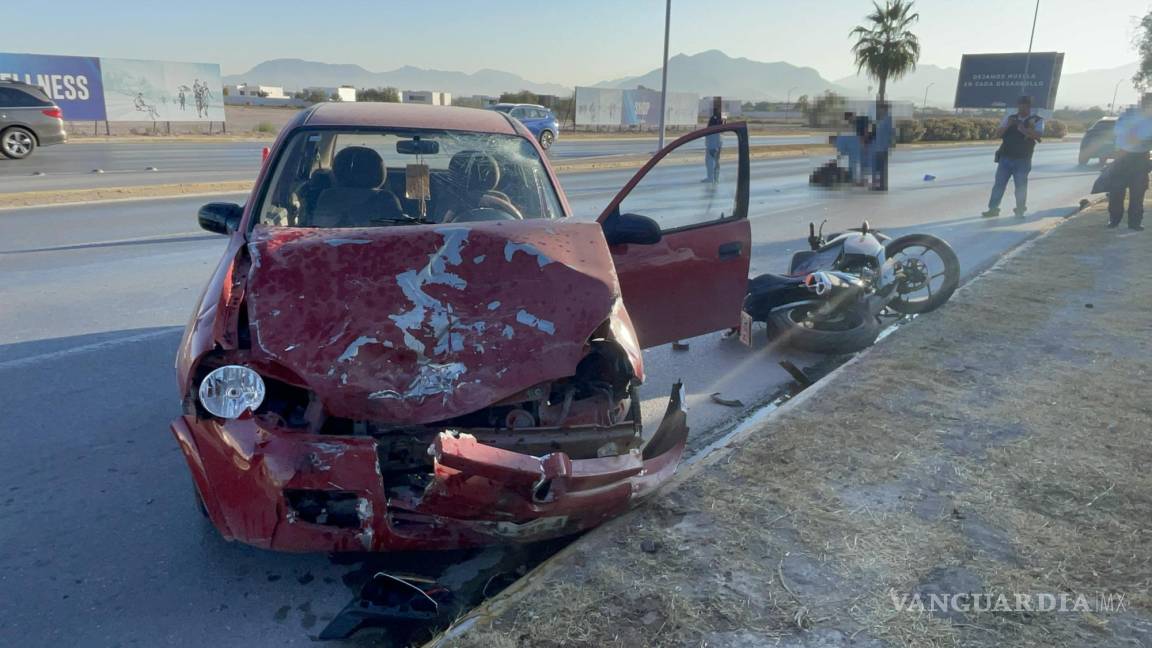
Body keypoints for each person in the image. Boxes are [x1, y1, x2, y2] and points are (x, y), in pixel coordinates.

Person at [982, 95, 1044, 218]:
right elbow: (998, 134)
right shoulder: (1010, 118)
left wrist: (1023, 130)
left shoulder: (1037, 120)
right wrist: (1007, 126)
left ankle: (1020, 210)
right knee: (999, 185)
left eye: (1026, 106)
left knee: (1020, 186)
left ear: (1030, 107)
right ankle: (993, 209)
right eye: (1020, 105)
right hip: (1006, 157)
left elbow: (1038, 136)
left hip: (1023, 159)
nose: (1022, 108)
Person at [1106, 93, 1152, 231]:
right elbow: (1118, 130)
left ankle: (1135, 223)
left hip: (1141, 159)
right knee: (1116, 192)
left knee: (1138, 194)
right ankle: (1114, 220)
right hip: (1123, 157)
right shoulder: (1130, 114)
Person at [703, 105, 723, 184]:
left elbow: (709, 130)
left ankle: (711, 178)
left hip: (712, 144)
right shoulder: (719, 120)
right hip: (716, 144)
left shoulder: (713, 119)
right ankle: (715, 178)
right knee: (715, 162)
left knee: (710, 162)